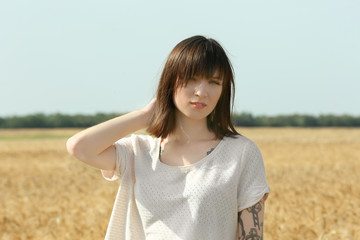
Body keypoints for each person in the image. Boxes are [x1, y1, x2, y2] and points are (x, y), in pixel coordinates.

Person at [66, 35, 270, 240]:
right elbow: (79, 147)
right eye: (191, 79)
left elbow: (252, 237)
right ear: (170, 82)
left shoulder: (241, 153)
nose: (202, 92)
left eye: (214, 82)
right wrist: (144, 117)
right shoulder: (138, 153)